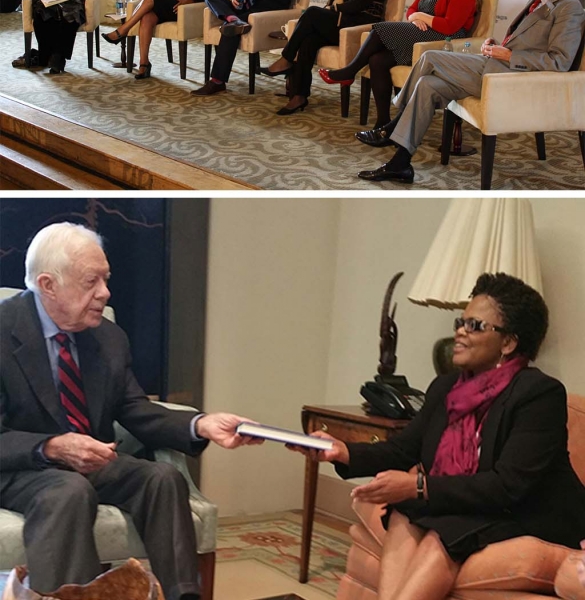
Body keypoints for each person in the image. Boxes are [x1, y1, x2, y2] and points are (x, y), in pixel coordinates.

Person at [0, 222, 260, 600]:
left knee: (163, 479)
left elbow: (133, 408)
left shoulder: (107, 337)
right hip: (19, 468)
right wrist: (54, 446)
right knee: (69, 490)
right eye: (91, 282)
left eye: (105, 279)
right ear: (47, 285)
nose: (104, 293)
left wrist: (200, 423)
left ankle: (183, 596)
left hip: (90, 462)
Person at [290, 272, 585, 600]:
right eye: (461, 321)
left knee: (442, 531)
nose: (459, 331)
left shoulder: (538, 393)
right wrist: (344, 452)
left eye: (474, 325)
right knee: (404, 510)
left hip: (526, 511)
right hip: (475, 502)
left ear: (508, 342)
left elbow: (508, 485)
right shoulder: (446, 388)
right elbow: (405, 448)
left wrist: (418, 486)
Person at [357, 0, 585, 184]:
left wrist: (509, 56)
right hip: (495, 68)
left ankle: (393, 126)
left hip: (511, 79)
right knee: (426, 84)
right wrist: (497, 46)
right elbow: (525, 43)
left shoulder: (569, 8)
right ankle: (401, 164)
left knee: (430, 58)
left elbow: (559, 61)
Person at [319, 0, 480, 130]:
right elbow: (411, 9)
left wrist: (422, 17)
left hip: (442, 42)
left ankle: (349, 71)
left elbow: (449, 26)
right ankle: (383, 122)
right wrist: (415, 16)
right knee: (377, 60)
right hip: (420, 34)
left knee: (380, 29)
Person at [259, 0, 385, 116]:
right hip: (337, 23)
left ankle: (286, 58)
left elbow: (359, 4)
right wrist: (330, 10)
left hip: (354, 27)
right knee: (308, 41)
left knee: (311, 12)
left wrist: (332, 9)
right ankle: (299, 95)